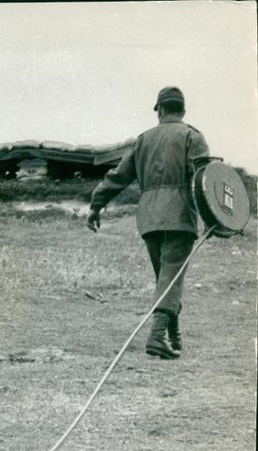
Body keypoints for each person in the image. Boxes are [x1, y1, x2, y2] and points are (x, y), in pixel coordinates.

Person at [86, 86, 210, 359]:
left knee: (166, 278)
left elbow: (117, 177)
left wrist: (96, 206)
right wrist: (217, 217)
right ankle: (156, 337)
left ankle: (173, 338)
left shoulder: (143, 140)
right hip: (179, 216)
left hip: (149, 219)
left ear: (160, 110)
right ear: (182, 111)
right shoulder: (192, 135)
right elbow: (206, 179)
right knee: (171, 277)